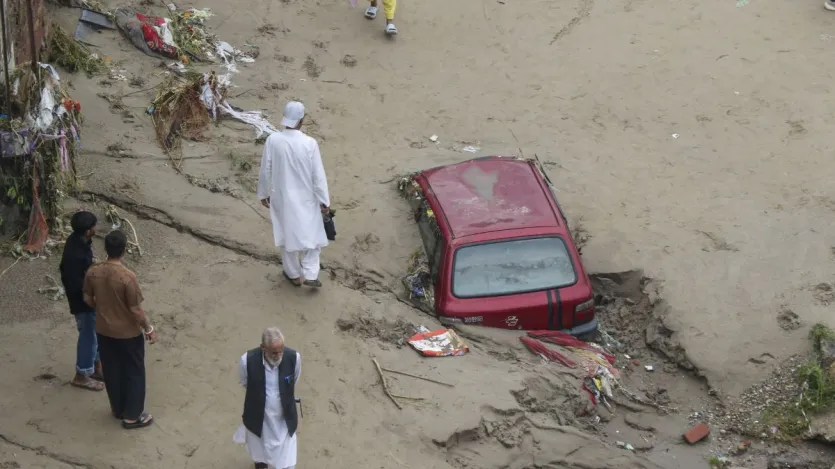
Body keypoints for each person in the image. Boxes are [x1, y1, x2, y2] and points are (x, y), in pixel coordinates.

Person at [83, 230, 158, 429]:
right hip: (128, 333)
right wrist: (148, 328)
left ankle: (118, 409)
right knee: (134, 372)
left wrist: (102, 310)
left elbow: (88, 299)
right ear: (124, 250)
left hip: (104, 330)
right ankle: (133, 416)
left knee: (112, 369)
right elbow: (136, 310)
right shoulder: (127, 277)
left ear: (106, 249)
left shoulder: (93, 271)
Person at [257, 101, 331, 288]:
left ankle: (294, 274)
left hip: (282, 196)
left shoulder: (273, 140)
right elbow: (318, 175)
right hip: (307, 196)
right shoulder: (309, 143)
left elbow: (265, 170)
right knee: (312, 234)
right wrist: (324, 200)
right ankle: (311, 273)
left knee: (286, 234)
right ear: (301, 120)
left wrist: (264, 193)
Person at [233, 327, 301, 469]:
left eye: (281, 350)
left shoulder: (294, 358)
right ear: (263, 348)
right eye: (275, 352)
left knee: (287, 462)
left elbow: (294, 379)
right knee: (259, 451)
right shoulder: (247, 361)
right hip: (259, 419)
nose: (279, 355)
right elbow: (246, 382)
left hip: (284, 420)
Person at [59, 211, 104, 392]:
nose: (96, 228)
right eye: (94, 226)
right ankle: (82, 374)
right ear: (88, 231)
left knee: (95, 333)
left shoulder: (78, 241)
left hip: (88, 298)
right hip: (82, 302)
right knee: (88, 336)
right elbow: (75, 284)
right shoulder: (74, 255)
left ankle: (95, 367)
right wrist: (91, 299)